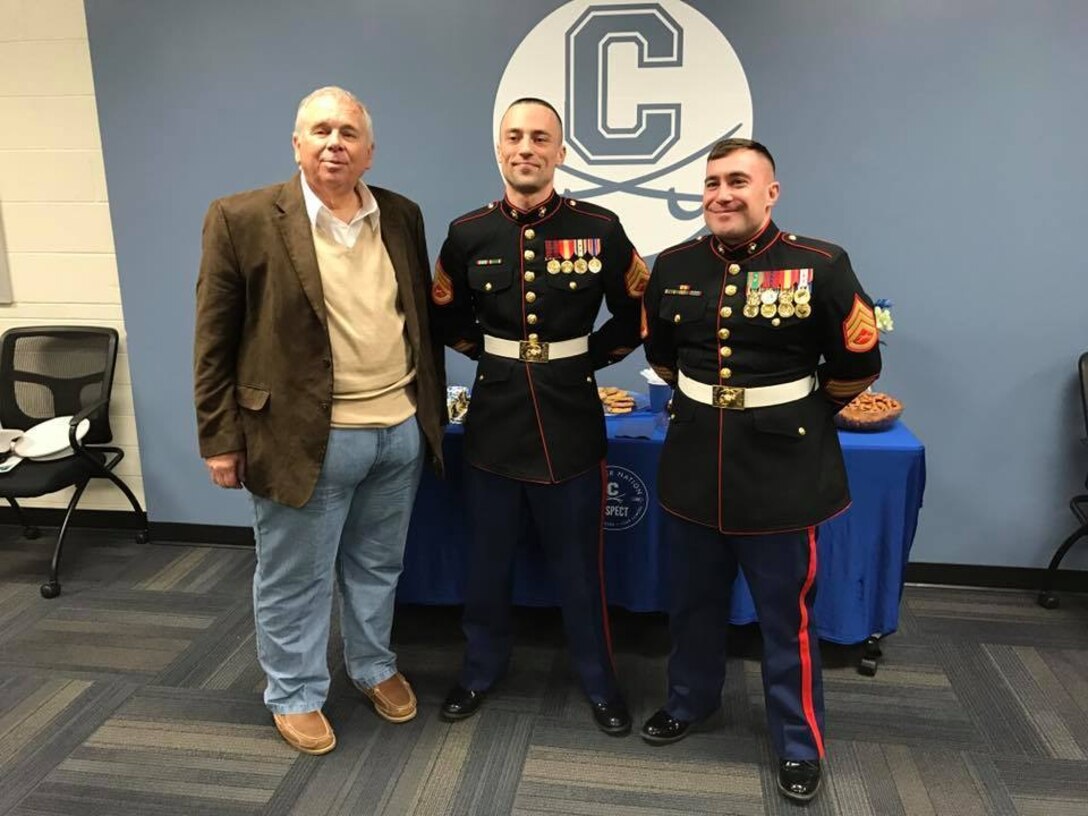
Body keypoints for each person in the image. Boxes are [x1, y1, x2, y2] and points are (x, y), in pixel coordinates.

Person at [193, 86, 445, 755]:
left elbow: (416, 318)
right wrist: (219, 438)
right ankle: (295, 691)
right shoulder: (241, 217)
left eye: (349, 133)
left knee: (378, 567)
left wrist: (427, 420)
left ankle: (371, 665)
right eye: (321, 130)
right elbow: (213, 340)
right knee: (294, 575)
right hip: (304, 438)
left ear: (369, 151)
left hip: (397, 431)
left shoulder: (401, 214)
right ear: (297, 144)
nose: (336, 142)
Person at [641, 138, 882, 803]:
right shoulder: (674, 264)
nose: (723, 193)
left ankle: (798, 743)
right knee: (691, 605)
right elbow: (663, 356)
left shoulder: (820, 265)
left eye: (739, 181)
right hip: (694, 466)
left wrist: (790, 417)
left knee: (786, 620)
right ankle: (691, 701)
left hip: (782, 473)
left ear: (770, 192)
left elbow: (858, 365)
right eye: (713, 181)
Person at [430, 98, 646, 735]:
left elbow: (638, 311)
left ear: (559, 152)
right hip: (495, 419)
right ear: (499, 149)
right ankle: (478, 670)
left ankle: (599, 680)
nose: (526, 148)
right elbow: (443, 313)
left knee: (580, 566)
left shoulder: (600, 226)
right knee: (487, 561)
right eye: (515, 137)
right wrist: (494, 359)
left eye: (540, 138)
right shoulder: (468, 232)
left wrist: (587, 361)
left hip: (571, 417)